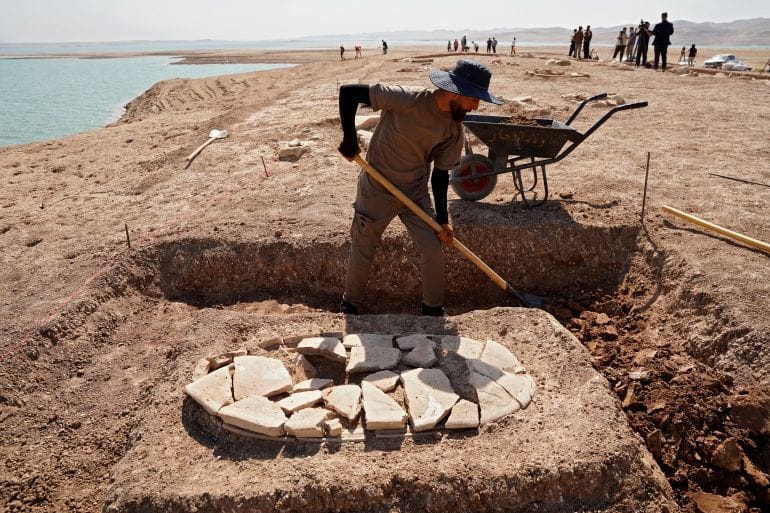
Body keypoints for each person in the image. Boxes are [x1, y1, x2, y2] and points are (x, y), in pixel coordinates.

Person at [336, 60, 502, 316]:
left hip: (414, 193)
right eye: (474, 99)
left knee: (433, 247)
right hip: (377, 187)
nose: (476, 106)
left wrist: (443, 221)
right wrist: (349, 137)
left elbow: (440, 175)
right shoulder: (406, 99)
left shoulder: (453, 130)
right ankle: (350, 305)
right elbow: (349, 92)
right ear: (456, 92)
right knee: (364, 246)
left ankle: (432, 311)